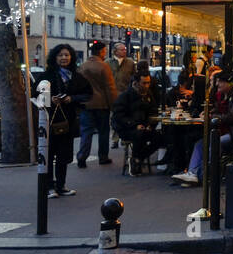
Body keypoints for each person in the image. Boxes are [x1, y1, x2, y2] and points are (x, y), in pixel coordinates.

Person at [40, 43, 93, 197]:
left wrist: (72, 98)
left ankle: (61, 185)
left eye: (67, 55)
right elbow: (37, 95)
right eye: (60, 55)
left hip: (68, 121)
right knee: (49, 155)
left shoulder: (77, 76)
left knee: (64, 155)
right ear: (55, 57)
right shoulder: (47, 75)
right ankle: (49, 186)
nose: (64, 58)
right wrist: (51, 99)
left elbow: (87, 94)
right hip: (50, 121)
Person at [173, 67, 233, 185]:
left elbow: (232, 117)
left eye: (220, 82)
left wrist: (213, 116)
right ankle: (193, 173)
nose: (217, 84)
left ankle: (201, 176)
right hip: (225, 131)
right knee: (200, 144)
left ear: (228, 83)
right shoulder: (226, 95)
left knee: (211, 144)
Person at [77, 40, 118, 169]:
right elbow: (109, 87)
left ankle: (82, 157)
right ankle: (103, 157)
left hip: (86, 104)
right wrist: (114, 105)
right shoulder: (104, 66)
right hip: (101, 104)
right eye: (104, 51)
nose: (105, 53)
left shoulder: (83, 66)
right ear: (100, 52)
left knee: (86, 132)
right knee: (103, 132)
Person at [112, 72, 164, 167]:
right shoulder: (125, 96)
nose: (147, 86)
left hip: (144, 126)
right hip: (128, 129)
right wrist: (134, 125)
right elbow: (119, 116)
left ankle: (137, 159)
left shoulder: (148, 94)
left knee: (160, 138)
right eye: (144, 83)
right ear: (136, 83)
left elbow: (153, 111)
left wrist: (150, 125)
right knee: (139, 135)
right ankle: (136, 161)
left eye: (148, 83)